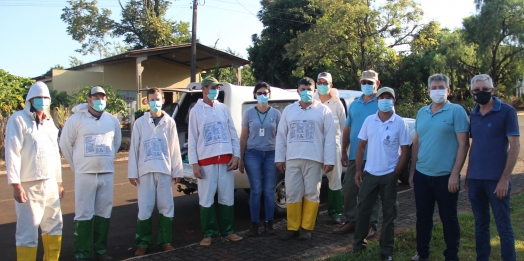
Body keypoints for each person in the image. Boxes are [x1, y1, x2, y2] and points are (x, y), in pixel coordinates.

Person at [409, 74, 470, 261]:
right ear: (428, 91)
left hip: (446, 177)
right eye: (434, 87)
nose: (437, 90)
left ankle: (452, 255)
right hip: (422, 175)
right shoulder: (422, 112)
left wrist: (454, 175)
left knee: (449, 218)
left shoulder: (456, 111)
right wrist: (412, 171)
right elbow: (417, 143)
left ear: (448, 90)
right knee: (423, 218)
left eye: (441, 87)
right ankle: (422, 254)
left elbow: (463, 144)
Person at [60, 86, 122, 261]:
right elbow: (65, 144)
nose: (99, 100)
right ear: (88, 100)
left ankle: (100, 251)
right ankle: (82, 253)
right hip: (84, 175)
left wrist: (105, 159)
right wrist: (77, 166)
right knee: (83, 214)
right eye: (96, 97)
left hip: (106, 174)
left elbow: (115, 144)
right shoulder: (76, 120)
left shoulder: (112, 121)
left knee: (103, 212)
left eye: (102, 97)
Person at [6, 81, 64, 261]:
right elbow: (12, 152)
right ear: (30, 100)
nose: (43, 101)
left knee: (54, 226)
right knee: (28, 231)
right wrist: (16, 184)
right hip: (29, 185)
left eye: (46, 98)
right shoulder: (18, 119)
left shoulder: (49, 124)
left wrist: (59, 182)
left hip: (51, 184)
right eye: (39, 98)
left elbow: (55, 154)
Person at [351, 87, 411, 261]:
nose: (385, 100)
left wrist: (397, 172)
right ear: (377, 101)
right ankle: (358, 245)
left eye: (388, 98)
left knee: (389, 213)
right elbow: (361, 146)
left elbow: (405, 150)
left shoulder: (400, 122)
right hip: (370, 173)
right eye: (382, 97)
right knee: (362, 211)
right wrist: (358, 170)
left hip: (389, 175)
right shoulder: (370, 121)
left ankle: (386, 250)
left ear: (394, 101)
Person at [467, 74, 520, 261]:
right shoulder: (472, 114)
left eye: (485, 89)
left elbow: (514, 146)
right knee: (480, 225)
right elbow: (475, 144)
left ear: (493, 90)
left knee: (503, 227)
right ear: (472, 92)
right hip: (475, 180)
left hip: (497, 180)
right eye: (477, 90)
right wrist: (468, 175)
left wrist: (505, 179)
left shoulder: (507, 111)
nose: (481, 93)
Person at [276, 77, 336, 240]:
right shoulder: (289, 110)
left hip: (314, 158)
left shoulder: (323, 111)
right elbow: (281, 135)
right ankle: (293, 227)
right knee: (292, 192)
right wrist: (280, 158)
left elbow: (330, 137)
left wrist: (329, 160)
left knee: (312, 192)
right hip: (292, 158)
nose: (306, 92)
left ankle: (306, 228)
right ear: (297, 91)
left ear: (314, 91)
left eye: (309, 90)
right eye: (303, 89)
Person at [188, 77, 243, 246]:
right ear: (204, 89)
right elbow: (192, 138)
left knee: (227, 196)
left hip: (225, 161)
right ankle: (209, 233)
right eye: (212, 87)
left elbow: (233, 133)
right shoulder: (196, 111)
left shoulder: (223, 109)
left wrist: (236, 155)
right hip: (206, 161)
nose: (215, 90)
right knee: (206, 198)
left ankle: (228, 231)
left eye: (217, 88)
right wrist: (194, 163)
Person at [128, 88, 184, 256]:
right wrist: (133, 171)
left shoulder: (170, 122)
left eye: (158, 99)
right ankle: (143, 242)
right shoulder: (140, 123)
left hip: (164, 169)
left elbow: (174, 147)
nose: (155, 102)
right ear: (146, 101)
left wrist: (177, 170)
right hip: (145, 170)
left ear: (162, 101)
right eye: (152, 99)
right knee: (145, 207)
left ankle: (165, 241)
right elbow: (134, 148)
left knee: (166, 206)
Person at [335, 70, 382, 237]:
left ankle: (371, 224)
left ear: (377, 84)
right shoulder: (354, 104)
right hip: (356, 154)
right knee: (349, 189)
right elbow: (347, 128)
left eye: (370, 83)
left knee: (371, 192)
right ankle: (352, 220)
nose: (367, 85)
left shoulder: (382, 102)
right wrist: (344, 151)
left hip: (375, 155)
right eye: (364, 82)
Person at [239, 82, 281, 236]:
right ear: (255, 95)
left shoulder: (276, 113)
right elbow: (243, 137)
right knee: (256, 190)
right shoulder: (249, 113)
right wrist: (240, 157)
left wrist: (282, 157)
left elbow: (282, 137)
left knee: (269, 191)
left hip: (271, 154)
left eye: (265, 92)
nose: (263, 95)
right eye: (259, 93)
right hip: (252, 154)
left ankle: (269, 224)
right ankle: (254, 225)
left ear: (269, 94)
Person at [314, 72, 345, 224]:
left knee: (335, 180)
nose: (321, 85)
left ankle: (335, 213)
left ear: (330, 85)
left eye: (325, 83)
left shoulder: (337, 104)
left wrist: (343, 151)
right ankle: (312, 214)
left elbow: (344, 127)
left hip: (334, 148)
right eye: (319, 82)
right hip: (315, 148)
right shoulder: (311, 102)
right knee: (313, 182)